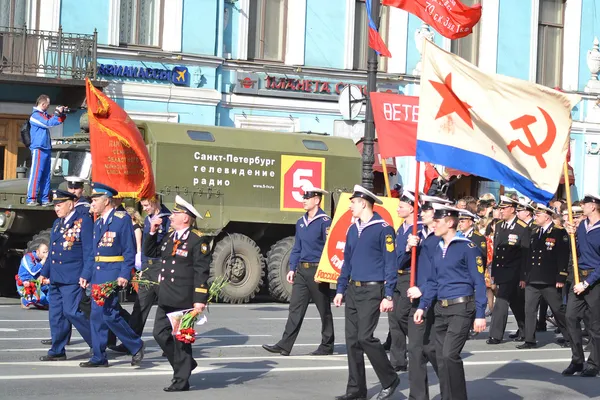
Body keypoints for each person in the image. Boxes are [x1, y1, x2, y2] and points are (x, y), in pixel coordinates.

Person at [333, 185, 400, 400]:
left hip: (373, 289)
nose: (350, 205)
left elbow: (391, 263)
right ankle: (356, 390)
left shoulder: (383, 229)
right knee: (352, 341)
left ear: (363, 203)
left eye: (353, 202)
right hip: (353, 288)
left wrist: (388, 294)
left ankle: (390, 378)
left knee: (364, 337)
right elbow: (347, 262)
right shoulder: (353, 229)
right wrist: (340, 289)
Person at [414, 204, 487, 400]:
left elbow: (479, 282)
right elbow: (432, 282)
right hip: (441, 308)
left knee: (449, 355)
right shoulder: (438, 249)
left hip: (461, 308)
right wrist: (423, 306)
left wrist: (480, 314)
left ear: (450, 222)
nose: (434, 225)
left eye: (438, 221)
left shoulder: (468, 248)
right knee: (438, 355)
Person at [145, 195, 212, 392]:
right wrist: (152, 231)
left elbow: (202, 272)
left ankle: (181, 380)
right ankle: (186, 364)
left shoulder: (197, 240)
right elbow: (152, 252)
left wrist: (200, 300)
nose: (171, 216)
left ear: (186, 217)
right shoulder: (169, 237)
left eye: (176, 213)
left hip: (184, 298)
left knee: (181, 340)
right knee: (159, 333)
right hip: (166, 296)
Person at [263, 185, 334, 357]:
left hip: (317, 271)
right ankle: (285, 345)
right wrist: (292, 268)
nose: (303, 201)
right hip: (302, 271)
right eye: (303, 197)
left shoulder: (325, 222)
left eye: (307, 198)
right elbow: (297, 248)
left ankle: (327, 344)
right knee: (295, 308)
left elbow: (328, 248)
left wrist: (324, 272)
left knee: (323, 310)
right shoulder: (301, 222)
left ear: (316, 200)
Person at [79, 182, 144, 368]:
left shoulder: (121, 219)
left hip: (113, 274)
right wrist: (86, 274)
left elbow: (129, 250)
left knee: (110, 314)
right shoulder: (98, 221)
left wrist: (125, 273)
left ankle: (136, 344)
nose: (92, 202)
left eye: (95, 199)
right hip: (98, 274)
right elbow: (93, 253)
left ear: (107, 201)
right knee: (97, 316)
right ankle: (99, 357)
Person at [37, 190, 93, 361]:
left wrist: (86, 274)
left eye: (59, 205)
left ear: (71, 203)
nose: (56, 208)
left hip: (72, 276)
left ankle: (97, 341)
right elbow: (53, 251)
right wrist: (44, 272)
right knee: (56, 315)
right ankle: (57, 350)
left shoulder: (83, 222)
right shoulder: (57, 224)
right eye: (55, 205)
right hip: (56, 276)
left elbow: (89, 251)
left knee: (72, 312)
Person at [405, 195, 451, 400]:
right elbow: (399, 263)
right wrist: (408, 248)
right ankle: (418, 396)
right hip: (417, 300)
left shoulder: (441, 240)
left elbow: (441, 272)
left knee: (433, 350)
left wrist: (422, 289)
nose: (421, 213)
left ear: (437, 214)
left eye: (426, 210)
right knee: (415, 350)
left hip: (435, 300)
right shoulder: (417, 234)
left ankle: (450, 389)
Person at [517, 203, 571, 349]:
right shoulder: (535, 232)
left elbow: (563, 255)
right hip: (533, 278)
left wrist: (561, 276)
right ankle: (530, 340)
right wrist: (524, 276)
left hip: (549, 279)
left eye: (538, 215)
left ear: (547, 216)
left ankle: (569, 337)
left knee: (557, 309)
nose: (536, 217)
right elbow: (529, 256)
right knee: (529, 310)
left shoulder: (559, 232)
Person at [125, 196, 171, 347]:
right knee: (140, 306)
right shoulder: (147, 219)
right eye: (142, 205)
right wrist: (143, 267)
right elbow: (146, 246)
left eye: (146, 205)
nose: (144, 208)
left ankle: (169, 343)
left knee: (167, 306)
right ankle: (130, 342)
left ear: (155, 201)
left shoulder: (168, 219)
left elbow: (169, 246)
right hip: (148, 268)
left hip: (160, 267)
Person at [562, 194, 600, 377]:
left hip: (594, 281)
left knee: (594, 326)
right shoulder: (582, 226)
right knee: (570, 317)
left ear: (594, 207)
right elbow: (574, 248)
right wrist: (570, 231)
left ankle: (594, 363)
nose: (582, 206)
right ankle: (577, 360)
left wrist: (587, 283)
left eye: (585, 204)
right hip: (578, 278)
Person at [487, 196, 529, 344]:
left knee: (501, 301)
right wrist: (493, 274)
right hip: (501, 270)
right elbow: (497, 252)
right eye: (500, 208)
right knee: (516, 303)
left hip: (514, 271)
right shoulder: (499, 225)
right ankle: (526, 330)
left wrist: (523, 276)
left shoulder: (522, 227)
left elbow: (525, 254)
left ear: (512, 209)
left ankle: (495, 335)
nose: (501, 211)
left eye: (504, 208)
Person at [389, 190, 422, 372]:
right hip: (396, 274)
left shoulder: (419, 229)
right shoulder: (400, 228)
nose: (398, 209)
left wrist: (410, 248)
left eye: (401, 206)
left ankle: (420, 346)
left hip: (409, 277)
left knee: (402, 315)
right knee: (394, 320)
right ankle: (398, 361)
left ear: (411, 208)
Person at [27, 95, 67, 206]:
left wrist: (62, 114)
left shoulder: (44, 115)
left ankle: (44, 199)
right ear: (43, 104)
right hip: (38, 148)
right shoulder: (35, 116)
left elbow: (57, 121)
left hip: (46, 147)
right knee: (36, 173)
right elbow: (48, 123)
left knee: (46, 175)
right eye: (48, 105)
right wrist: (57, 113)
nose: (48, 107)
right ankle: (31, 198)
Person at [16, 243, 50, 309]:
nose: (45, 254)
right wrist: (43, 261)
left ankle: (42, 303)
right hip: (26, 284)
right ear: (37, 251)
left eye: (47, 252)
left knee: (53, 292)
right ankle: (24, 300)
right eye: (43, 252)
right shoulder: (27, 257)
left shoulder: (46, 259)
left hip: (39, 283)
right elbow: (33, 271)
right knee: (41, 297)